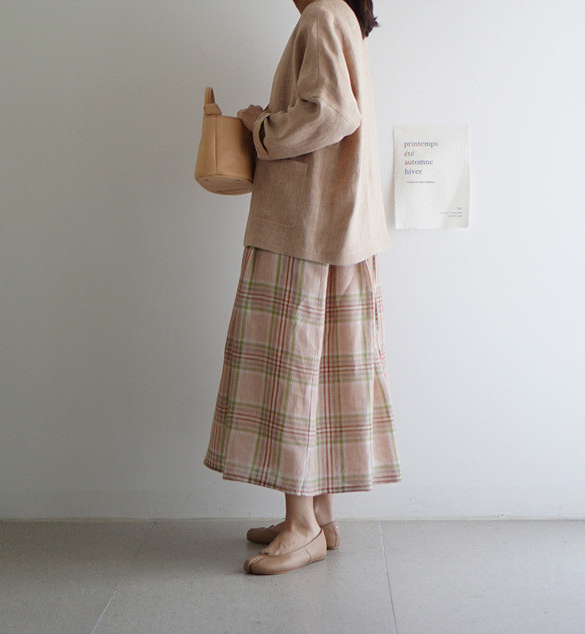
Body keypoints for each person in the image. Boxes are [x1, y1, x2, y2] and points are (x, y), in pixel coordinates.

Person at [203, 0, 402, 575]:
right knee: (321, 374)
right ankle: (319, 515)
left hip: (304, 230)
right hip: (338, 231)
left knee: (293, 372)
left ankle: (301, 526)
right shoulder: (343, 19)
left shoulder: (320, 18)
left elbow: (333, 113)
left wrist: (260, 126)